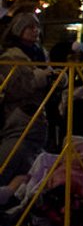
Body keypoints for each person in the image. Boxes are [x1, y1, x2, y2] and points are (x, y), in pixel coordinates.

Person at [1, 12, 55, 182]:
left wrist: (55, 79)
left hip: (39, 114)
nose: (35, 31)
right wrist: (40, 78)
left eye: (37, 27)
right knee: (12, 155)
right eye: (30, 27)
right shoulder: (11, 57)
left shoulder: (40, 54)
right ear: (19, 29)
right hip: (19, 115)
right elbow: (15, 87)